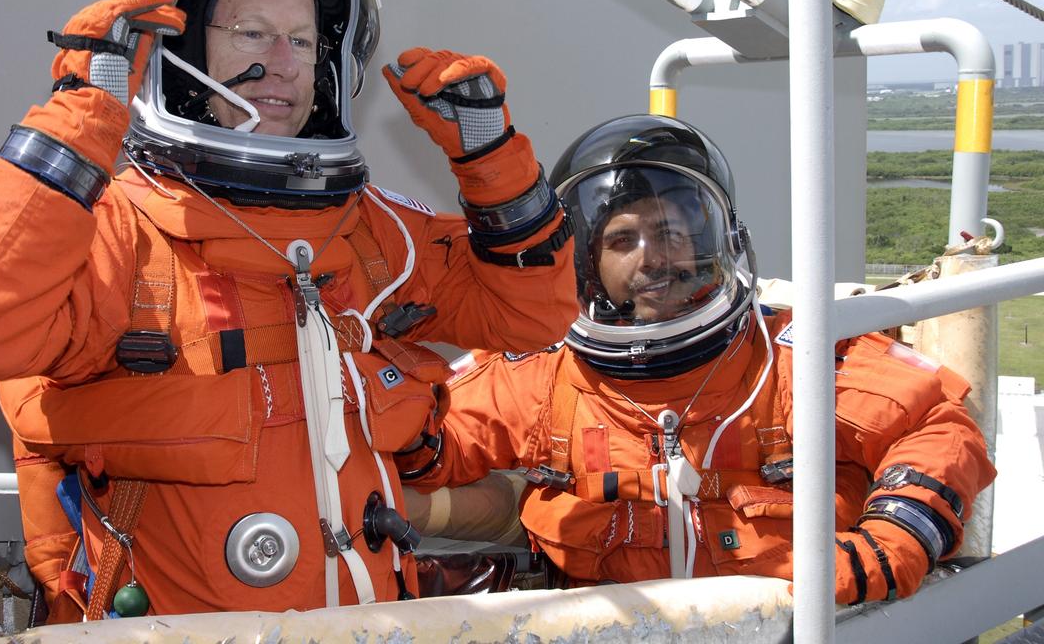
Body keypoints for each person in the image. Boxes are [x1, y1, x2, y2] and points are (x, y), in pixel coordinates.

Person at [0, 0, 576, 620]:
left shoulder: (372, 232)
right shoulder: (119, 235)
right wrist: (80, 114)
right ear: (180, 51)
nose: (283, 65)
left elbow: (532, 313)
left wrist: (491, 158)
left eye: (303, 39)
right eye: (251, 34)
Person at [398, 114, 995, 605]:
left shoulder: (793, 359)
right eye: (623, 240)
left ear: (719, 240)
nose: (654, 257)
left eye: (672, 233)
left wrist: (896, 537)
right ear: (585, 261)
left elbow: (936, 423)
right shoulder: (541, 377)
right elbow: (425, 449)